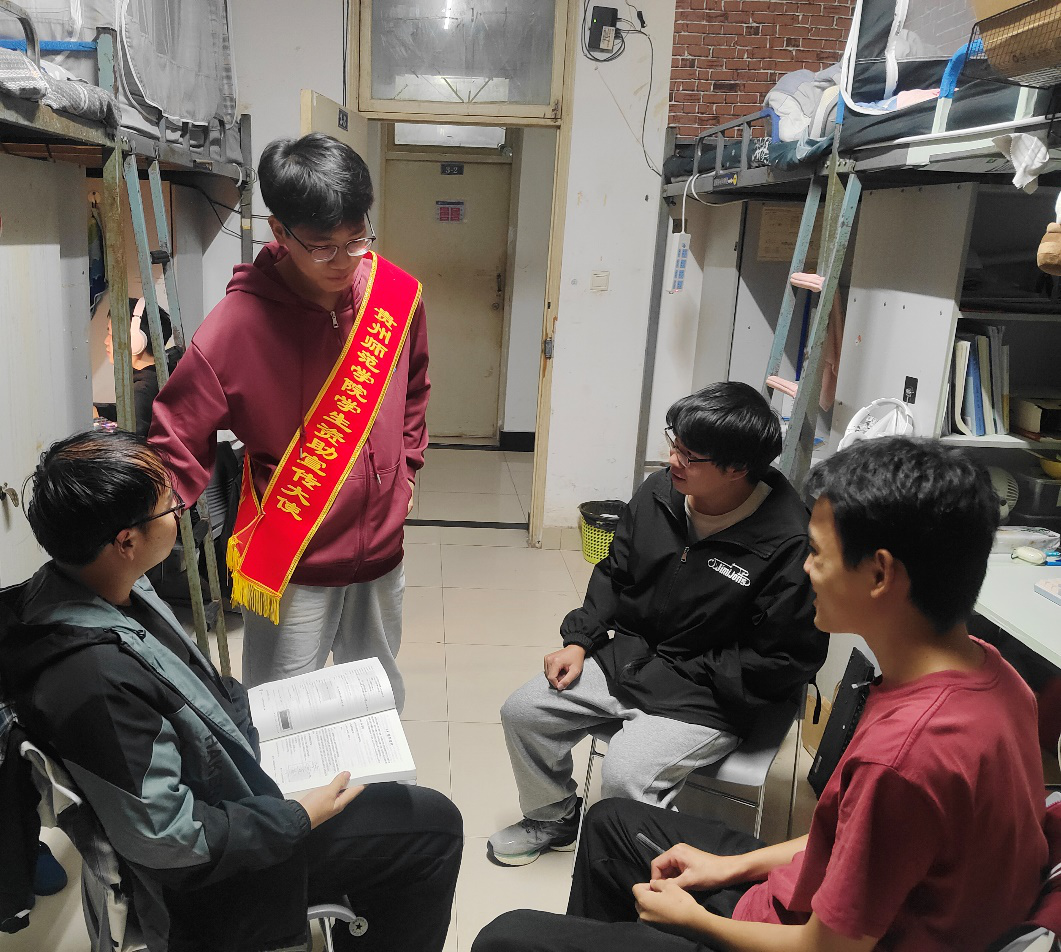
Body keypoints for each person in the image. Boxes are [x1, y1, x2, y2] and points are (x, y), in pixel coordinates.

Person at [474, 437, 1049, 952]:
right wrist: (727, 867)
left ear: (879, 575)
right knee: (611, 822)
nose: (805, 569)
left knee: (504, 938)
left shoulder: (901, 759)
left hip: (793, 934)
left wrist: (697, 922)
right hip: (802, 889)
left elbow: (829, 949)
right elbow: (842, 839)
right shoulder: (997, 675)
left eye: (817, 553)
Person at [0, 430, 461, 952]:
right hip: (222, 872)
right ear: (126, 541)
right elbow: (169, 837)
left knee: (388, 793)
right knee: (435, 827)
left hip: (233, 789)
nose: (182, 510)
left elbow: (193, 684)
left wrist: (260, 719)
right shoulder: (93, 681)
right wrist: (299, 817)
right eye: (170, 506)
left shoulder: (100, 586)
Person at [489, 382, 826, 866]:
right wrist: (580, 641)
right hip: (631, 657)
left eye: (690, 455)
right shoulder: (660, 492)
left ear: (737, 468)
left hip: (709, 694)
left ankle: (654, 875)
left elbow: (784, 658)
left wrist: (694, 674)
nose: (673, 460)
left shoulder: (790, 540)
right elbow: (614, 571)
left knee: (626, 774)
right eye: (675, 444)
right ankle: (553, 817)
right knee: (524, 711)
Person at [149, 133, 429, 711]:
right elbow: (175, 436)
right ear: (279, 232)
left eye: (357, 239)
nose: (345, 261)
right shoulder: (236, 326)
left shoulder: (395, 296)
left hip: (381, 546)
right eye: (323, 247)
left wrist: (404, 472)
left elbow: (415, 390)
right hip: (292, 550)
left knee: (374, 699)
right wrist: (155, 523)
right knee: (281, 710)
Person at [100, 297, 179, 436]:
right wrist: (100, 411)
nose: (106, 341)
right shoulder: (164, 370)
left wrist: (101, 426)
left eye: (111, 335)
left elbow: (131, 441)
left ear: (136, 341)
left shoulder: (142, 390)